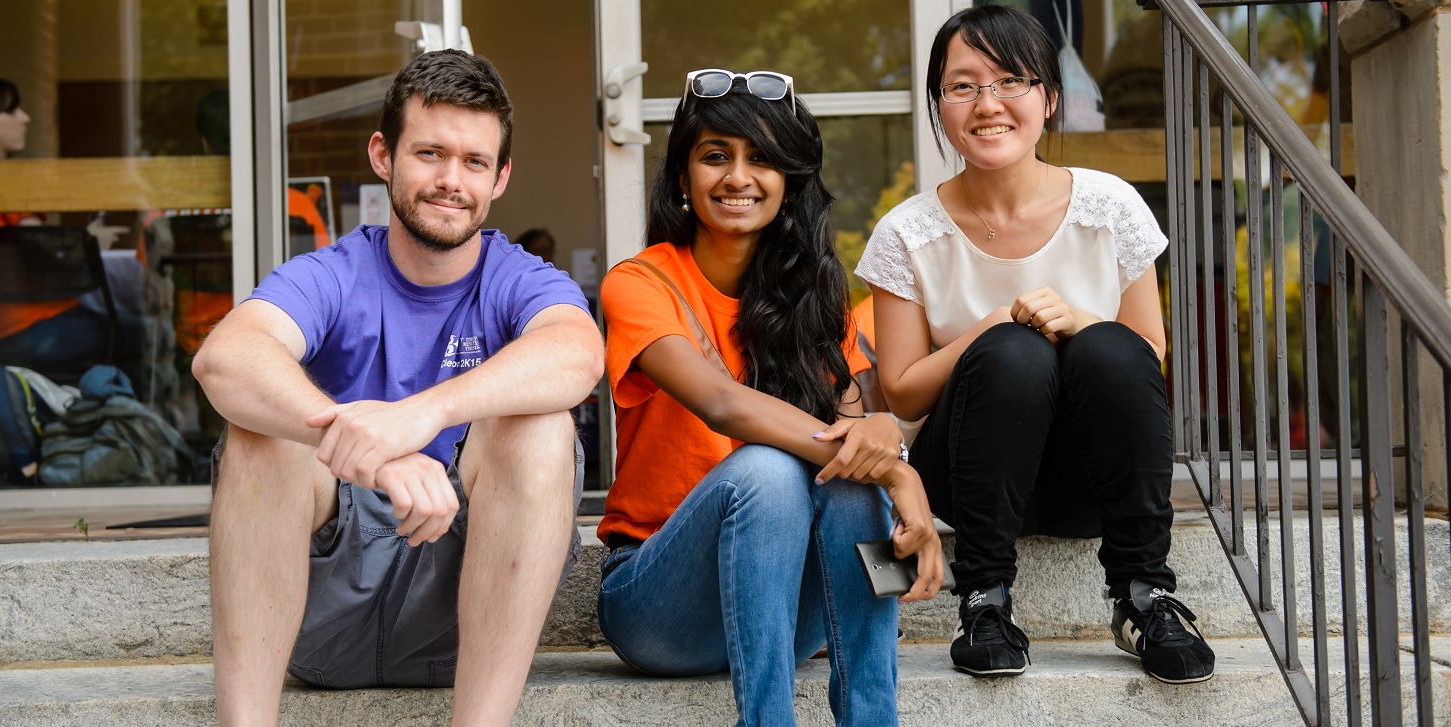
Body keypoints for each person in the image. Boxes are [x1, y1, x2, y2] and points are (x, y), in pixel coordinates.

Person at [194, 50, 603, 726]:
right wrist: (370, 450)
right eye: (430, 153)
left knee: (540, 427)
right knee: (260, 435)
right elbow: (225, 358)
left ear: (501, 177)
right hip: (319, 617)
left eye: (474, 162)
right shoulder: (333, 272)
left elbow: (579, 354)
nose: (451, 180)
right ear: (384, 155)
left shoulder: (517, 276)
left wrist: (419, 416)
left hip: (471, 624)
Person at [854, 5, 1215, 684]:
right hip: (967, 478)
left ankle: (1145, 594)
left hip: (1088, 482)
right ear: (939, 105)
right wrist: (990, 327)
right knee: (1012, 351)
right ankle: (984, 600)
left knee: (1108, 347)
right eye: (962, 86)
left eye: (1010, 80)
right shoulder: (907, 231)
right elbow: (899, 388)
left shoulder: (1109, 206)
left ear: (1048, 99)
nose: (987, 103)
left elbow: (1149, 352)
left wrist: (1081, 321)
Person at [596, 68, 944, 726]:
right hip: (658, 602)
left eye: (761, 158)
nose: (737, 177)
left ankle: (874, 715)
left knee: (847, 476)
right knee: (772, 467)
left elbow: (855, 445)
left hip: (789, 605)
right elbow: (723, 404)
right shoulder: (638, 283)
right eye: (716, 156)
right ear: (681, 176)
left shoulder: (813, 299)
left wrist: (889, 463)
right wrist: (902, 468)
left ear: (788, 182)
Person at [0, 77, 115, 372]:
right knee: (145, 332)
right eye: (12, 110)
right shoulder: (3, 180)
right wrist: (90, 239)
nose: (25, 118)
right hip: (46, 329)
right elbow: (51, 256)